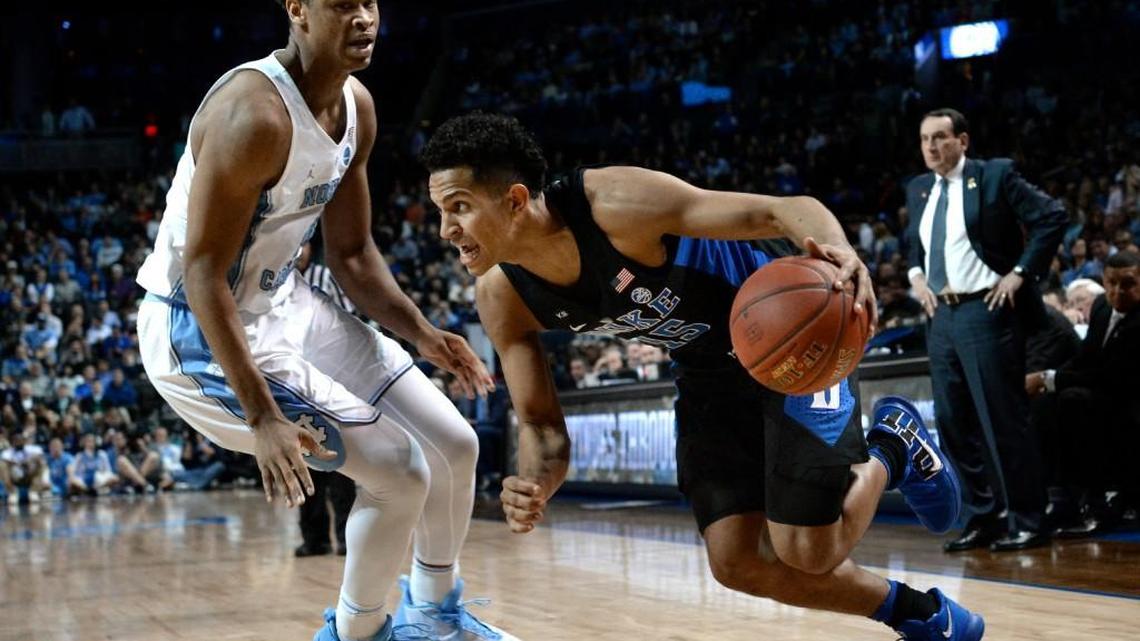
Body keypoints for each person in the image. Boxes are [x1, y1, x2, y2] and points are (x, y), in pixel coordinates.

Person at [421, 112, 981, 641]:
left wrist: (840, 252)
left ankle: (893, 446)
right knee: (735, 562)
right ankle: (926, 617)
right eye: (441, 212)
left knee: (807, 550)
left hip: (793, 344)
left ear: (515, 200)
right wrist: (537, 483)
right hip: (707, 372)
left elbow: (782, 210)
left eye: (459, 207)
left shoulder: (615, 204)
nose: (446, 229)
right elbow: (542, 426)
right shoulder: (502, 296)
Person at [133, 3, 518, 641]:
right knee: (398, 472)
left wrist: (421, 333)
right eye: (343, 3)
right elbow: (202, 275)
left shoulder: (356, 107)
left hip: (287, 301)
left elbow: (353, 255)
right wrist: (262, 419)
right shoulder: (254, 115)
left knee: (455, 445)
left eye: (369, 2)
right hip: (197, 330)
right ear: (298, 10)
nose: (364, 18)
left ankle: (433, 617)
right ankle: (354, 634)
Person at [905, 108, 1067, 552]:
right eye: (924, 139)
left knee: (1002, 419)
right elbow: (912, 246)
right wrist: (916, 277)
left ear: (963, 140)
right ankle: (985, 516)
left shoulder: (994, 176)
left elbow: (1052, 216)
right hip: (942, 316)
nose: (932, 147)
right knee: (954, 424)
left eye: (940, 137)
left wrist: (1020, 273)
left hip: (987, 309)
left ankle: (1029, 518)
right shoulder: (919, 189)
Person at [1026, 250, 1140, 536]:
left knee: (1074, 402)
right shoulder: (1101, 306)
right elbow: (1085, 358)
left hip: (1129, 401)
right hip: (1103, 396)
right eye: (1111, 283)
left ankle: (1097, 503)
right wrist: (1045, 382)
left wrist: (1047, 377)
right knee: (1046, 404)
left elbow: (1110, 376)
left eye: (1127, 283)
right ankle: (1061, 499)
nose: (1117, 291)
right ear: (1103, 280)